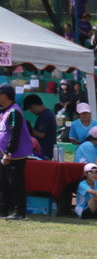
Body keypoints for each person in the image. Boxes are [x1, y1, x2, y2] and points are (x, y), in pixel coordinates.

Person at [0, 84, 35, 221]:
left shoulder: (14, 111)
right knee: (2, 183)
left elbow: (15, 132)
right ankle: (2, 210)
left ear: (4, 96)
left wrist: (9, 151)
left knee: (15, 183)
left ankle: (19, 212)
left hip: (14, 154)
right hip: (3, 153)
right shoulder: (4, 111)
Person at [23, 95, 57, 161]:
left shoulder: (45, 116)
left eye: (30, 109)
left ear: (34, 106)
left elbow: (41, 135)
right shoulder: (48, 113)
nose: (31, 112)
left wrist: (29, 129)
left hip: (44, 151)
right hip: (47, 150)